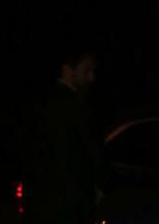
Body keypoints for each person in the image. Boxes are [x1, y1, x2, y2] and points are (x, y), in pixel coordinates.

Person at [27, 47, 103, 224]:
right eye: (87, 70)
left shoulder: (43, 103)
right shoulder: (75, 107)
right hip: (71, 205)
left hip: (44, 204)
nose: (92, 78)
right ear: (68, 69)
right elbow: (92, 152)